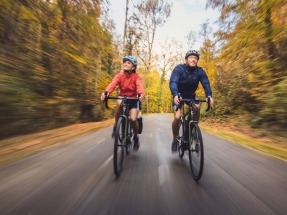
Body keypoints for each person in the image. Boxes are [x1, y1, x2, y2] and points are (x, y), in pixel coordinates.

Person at [169, 50, 214, 152]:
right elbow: (173, 81)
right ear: (186, 59)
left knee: (197, 107)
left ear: (197, 60)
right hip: (179, 95)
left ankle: (192, 130)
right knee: (177, 117)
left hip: (191, 95)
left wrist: (209, 95)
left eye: (195, 58)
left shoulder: (200, 71)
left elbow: (206, 83)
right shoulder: (179, 69)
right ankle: (175, 138)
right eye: (191, 57)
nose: (193, 59)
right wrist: (175, 94)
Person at [100, 56, 144, 151]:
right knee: (119, 103)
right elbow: (113, 84)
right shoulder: (119, 75)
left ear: (133, 67)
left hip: (133, 99)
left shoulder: (137, 76)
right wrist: (106, 92)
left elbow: (139, 85)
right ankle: (116, 125)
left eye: (128, 63)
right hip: (123, 97)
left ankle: (135, 137)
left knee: (133, 119)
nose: (125, 64)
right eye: (125, 62)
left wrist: (140, 94)